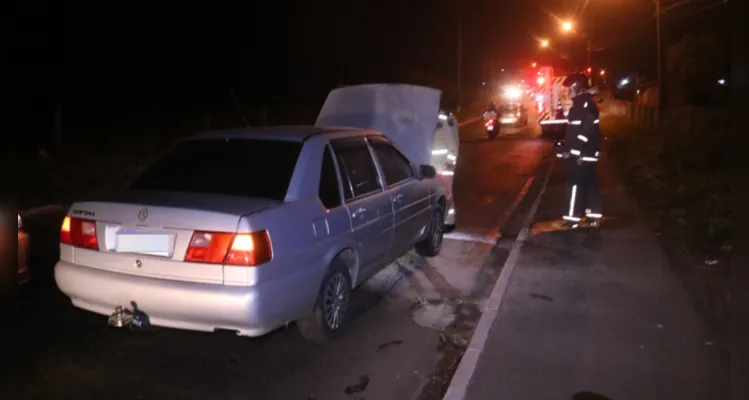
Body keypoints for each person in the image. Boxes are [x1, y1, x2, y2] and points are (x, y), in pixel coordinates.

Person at [557, 73, 602, 228]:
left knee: (574, 186)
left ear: (576, 87)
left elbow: (586, 132)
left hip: (582, 155)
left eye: (570, 88)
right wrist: (564, 146)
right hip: (586, 154)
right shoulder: (584, 105)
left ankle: (572, 220)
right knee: (589, 185)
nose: (569, 92)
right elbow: (575, 133)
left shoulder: (583, 106)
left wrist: (574, 152)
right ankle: (593, 216)